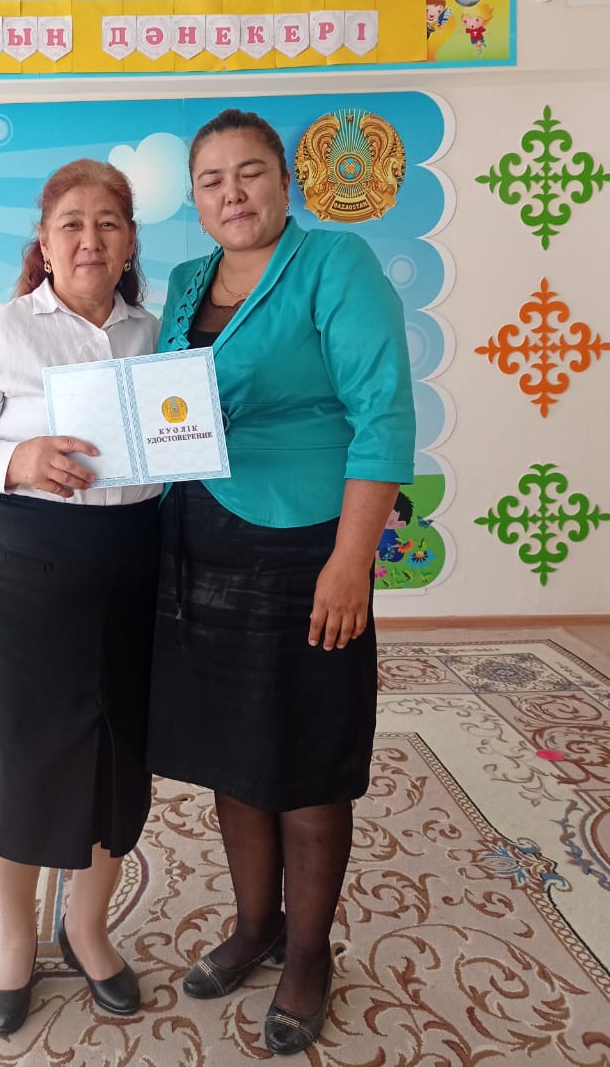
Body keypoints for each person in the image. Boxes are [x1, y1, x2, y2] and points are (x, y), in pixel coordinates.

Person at [147, 109, 415, 1056]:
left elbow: (384, 415)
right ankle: (254, 925)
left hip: (306, 548)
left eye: (250, 172)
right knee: (235, 756)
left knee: (304, 761)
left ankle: (307, 953)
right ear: (195, 200)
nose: (233, 193)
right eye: (212, 180)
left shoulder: (335, 264)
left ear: (284, 183)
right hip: (199, 543)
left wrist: (350, 561)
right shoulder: (186, 282)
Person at [0, 159, 161, 1034]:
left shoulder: (156, 336)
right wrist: (15, 459)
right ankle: (14, 938)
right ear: (44, 246)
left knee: (117, 756)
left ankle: (86, 929)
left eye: (108, 224)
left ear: (129, 243)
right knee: (23, 758)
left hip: (133, 568)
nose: (90, 240)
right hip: (28, 572)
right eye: (71, 225)